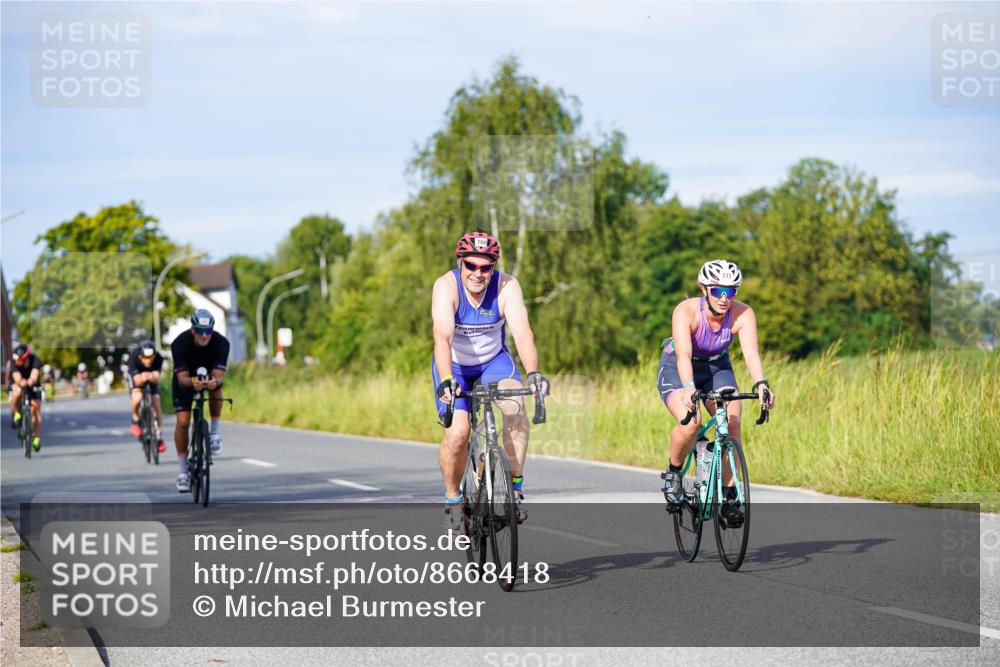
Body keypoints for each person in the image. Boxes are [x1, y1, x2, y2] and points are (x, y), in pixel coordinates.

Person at [431, 232, 549, 533]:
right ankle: (453, 498)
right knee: (458, 433)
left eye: (486, 267)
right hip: (455, 366)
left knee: (515, 406)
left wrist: (534, 373)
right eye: (471, 266)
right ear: (461, 263)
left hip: (493, 362)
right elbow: (442, 338)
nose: (478, 274)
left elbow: (522, 332)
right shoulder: (446, 286)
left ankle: (515, 487)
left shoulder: (507, 286)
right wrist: (446, 380)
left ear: (494, 267)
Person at [657, 260, 776, 525]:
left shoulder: (743, 314)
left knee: (732, 424)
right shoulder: (686, 311)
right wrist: (688, 388)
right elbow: (684, 355)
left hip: (716, 367)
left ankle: (730, 497)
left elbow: (751, 354)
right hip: (678, 366)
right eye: (717, 290)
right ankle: (674, 473)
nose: (724, 298)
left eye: (730, 291)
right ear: (703, 288)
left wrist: (761, 384)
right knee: (691, 422)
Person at [170, 309, 230, 492]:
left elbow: (219, 376)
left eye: (208, 332)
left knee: (217, 388)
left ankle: (214, 434)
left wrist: (214, 382)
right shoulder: (179, 343)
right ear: (192, 329)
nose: (204, 336)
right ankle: (183, 473)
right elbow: (182, 379)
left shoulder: (221, 343)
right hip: (186, 380)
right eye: (200, 331)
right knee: (183, 422)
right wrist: (192, 382)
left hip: (208, 376)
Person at [127, 340, 166, 453]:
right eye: (145, 357)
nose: (148, 360)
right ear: (140, 356)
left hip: (150, 378)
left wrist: (152, 376)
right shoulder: (133, 357)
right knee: (137, 396)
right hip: (137, 376)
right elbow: (137, 381)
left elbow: (157, 376)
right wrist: (143, 377)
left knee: (156, 402)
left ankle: (158, 435)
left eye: (150, 358)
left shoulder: (158, 358)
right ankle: (135, 418)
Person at [9, 344, 43, 451]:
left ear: (25, 357)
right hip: (19, 383)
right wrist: (20, 382)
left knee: (36, 408)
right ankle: (16, 413)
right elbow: (16, 376)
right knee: (17, 393)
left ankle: (36, 438)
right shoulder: (14, 362)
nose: (18, 361)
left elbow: (34, 374)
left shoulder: (35, 360)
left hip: (33, 384)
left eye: (20, 359)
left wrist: (31, 381)